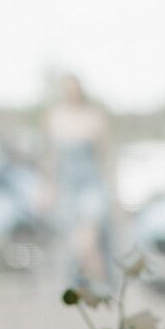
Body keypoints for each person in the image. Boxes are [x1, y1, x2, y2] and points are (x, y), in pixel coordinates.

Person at [44, 74, 112, 286]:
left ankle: (102, 287)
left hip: (91, 184)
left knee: (89, 241)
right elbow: (50, 156)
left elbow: (106, 156)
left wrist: (113, 192)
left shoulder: (94, 117)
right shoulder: (54, 117)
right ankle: (85, 289)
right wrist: (48, 187)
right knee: (75, 246)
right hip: (67, 187)